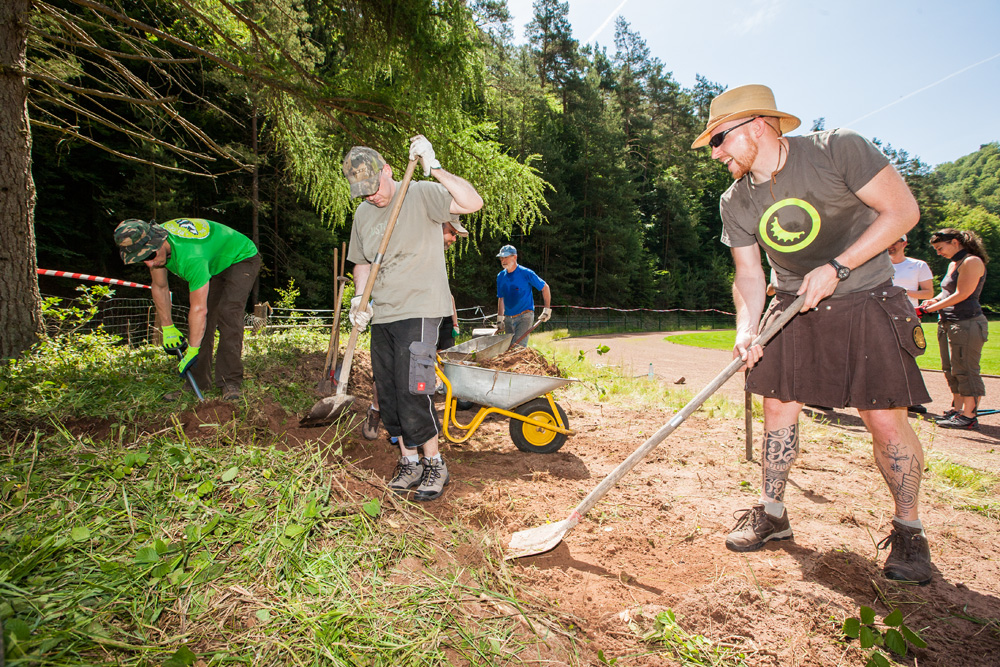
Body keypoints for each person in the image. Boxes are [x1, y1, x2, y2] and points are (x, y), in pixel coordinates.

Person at [691, 84, 934, 584]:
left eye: (719, 140)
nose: (715, 154)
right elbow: (749, 274)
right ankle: (773, 514)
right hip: (791, 305)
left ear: (756, 125)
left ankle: (909, 530)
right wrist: (745, 327)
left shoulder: (836, 149)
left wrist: (839, 267)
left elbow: (902, 212)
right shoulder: (735, 200)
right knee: (777, 405)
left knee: (884, 416)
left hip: (867, 296)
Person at [344, 136, 482, 501]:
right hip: (384, 313)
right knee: (387, 392)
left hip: (421, 307)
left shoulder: (419, 193)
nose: (371, 195)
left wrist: (434, 167)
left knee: (414, 389)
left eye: (373, 186)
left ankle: (434, 463)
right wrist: (360, 299)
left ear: (388, 170)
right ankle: (409, 462)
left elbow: (473, 202)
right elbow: (361, 262)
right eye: (363, 191)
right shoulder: (362, 215)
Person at [114, 218, 260, 401]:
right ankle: (197, 383)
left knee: (228, 312)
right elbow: (159, 287)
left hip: (241, 256)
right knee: (202, 325)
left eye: (150, 256)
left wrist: (192, 350)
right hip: (214, 261)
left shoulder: (191, 256)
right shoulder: (156, 252)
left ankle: (230, 381)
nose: (149, 264)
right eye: (142, 260)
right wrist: (167, 327)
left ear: (159, 242)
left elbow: (199, 309)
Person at [363, 220, 467, 441]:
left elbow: (447, 293)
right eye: (451, 232)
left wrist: (454, 324)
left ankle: (417, 430)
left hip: (433, 316)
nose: (454, 239)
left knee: (420, 375)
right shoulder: (413, 243)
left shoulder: (436, 256)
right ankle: (377, 409)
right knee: (389, 377)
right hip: (399, 316)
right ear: (436, 227)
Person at [918, 228, 989, 430]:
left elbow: (962, 293)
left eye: (941, 248)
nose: (939, 253)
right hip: (948, 321)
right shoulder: (953, 264)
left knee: (966, 369)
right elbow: (946, 292)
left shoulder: (971, 262)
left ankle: (969, 415)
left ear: (955, 242)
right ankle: (958, 409)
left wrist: (932, 308)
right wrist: (934, 300)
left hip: (966, 322)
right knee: (950, 369)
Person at [496, 245, 552, 347]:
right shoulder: (500, 276)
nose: (503, 260)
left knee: (517, 348)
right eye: (501, 258)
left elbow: (545, 288)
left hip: (524, 317)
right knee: (508, 348)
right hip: (508, 319)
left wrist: (547, 310)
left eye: (506, 257)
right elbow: (501, 297)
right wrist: (500, 318)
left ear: (514, 257)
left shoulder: (526, 273)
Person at [889, 234, 934, 308]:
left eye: (894, 243)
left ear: (904, 244)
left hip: (908, 313)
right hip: (881, 313)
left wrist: (905, 292)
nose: (890, 246)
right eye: (887, 243)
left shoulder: (919, 265)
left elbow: (929, 294)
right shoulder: (878, 266)